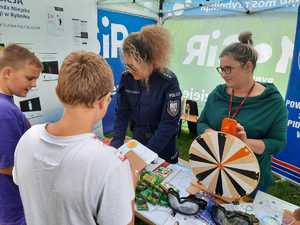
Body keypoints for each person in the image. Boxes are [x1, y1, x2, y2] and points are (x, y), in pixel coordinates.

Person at [13, 51, 136, 225]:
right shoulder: (111, 164)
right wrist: (128, 188)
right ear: (102, 102)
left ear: (58, 91)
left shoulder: (27, 139)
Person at [197, 32, 287, 193]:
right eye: (221, 69)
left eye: (228, 69)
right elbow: (201, 122)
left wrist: (245, 142)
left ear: (248, 67)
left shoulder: (272, 101)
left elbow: (277, 143)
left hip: (248, 178)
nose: (224, 75)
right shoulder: (218, 94)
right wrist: (210, 133)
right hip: (213, 168)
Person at [110, 25, 182, 163]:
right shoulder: (127, 78)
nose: (128, 69)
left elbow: (168, 124)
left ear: (148, 60)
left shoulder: (168, 81)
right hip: (138, 141)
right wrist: (115, 145)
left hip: (163, 149)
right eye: (126, 65)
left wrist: (145, 156)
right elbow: (122, 113)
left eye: (132, 65)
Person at [0, 44, 42, 225]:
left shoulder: (7, 106)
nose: (34, 84)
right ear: (7, 72)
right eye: (29, 78)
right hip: (12, 206)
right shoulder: (4, 112)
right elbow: (5, 166)